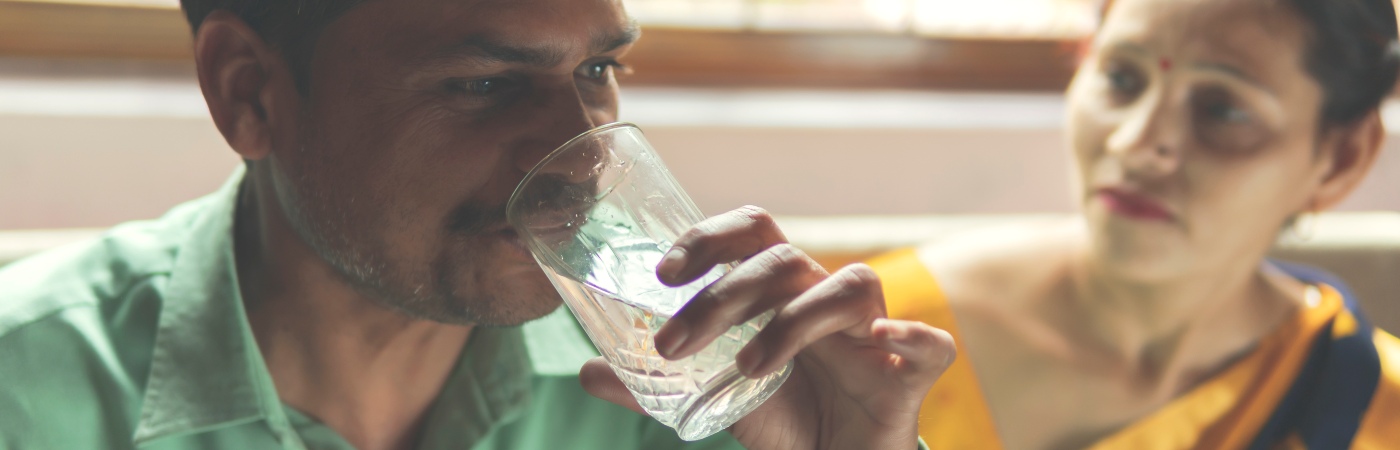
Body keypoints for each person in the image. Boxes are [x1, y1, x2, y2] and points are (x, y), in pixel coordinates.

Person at [0, 0, 957, 449]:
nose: (578, 159)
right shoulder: (28, 394)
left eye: (595, 72)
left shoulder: (680, 379)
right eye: (484, 84)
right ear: (249, 93)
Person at [867, 0, 1400, 448]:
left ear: (1342, 158)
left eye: (1222, 109)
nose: (1136, 144)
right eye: (1121, 78)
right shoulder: (883, 332)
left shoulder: (1371, 407)